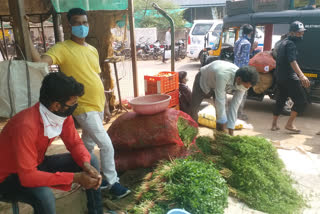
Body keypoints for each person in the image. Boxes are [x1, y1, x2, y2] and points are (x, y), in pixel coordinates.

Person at [30, 8, 130, 198]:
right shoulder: (62, 48)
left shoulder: (92, 49)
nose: (82, 26)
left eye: (85, 23)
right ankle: (112, 182)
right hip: (83, 107)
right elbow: (40, 62)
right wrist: (27, 36)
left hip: (97, 104)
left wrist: (106, 105)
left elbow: (97, 77)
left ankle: (91, 180)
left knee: (87, 145)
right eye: (77, 23)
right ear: (69, 26)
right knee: (107, 145)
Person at [0, 72, 124, 214]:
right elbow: (28, 177)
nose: (76, 106)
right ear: (56, 105)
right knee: (43, 195)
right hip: (7, 178)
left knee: (91, 159)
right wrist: (75, 178)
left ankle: (96, 211)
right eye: (73, 103)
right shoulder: (25, 125)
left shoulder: (60, 116)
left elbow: (75, 143)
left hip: (35, 164)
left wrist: (85, 164)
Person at [189, 60, 259, 135]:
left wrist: (231, 129)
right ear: (238, 79)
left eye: (249, 87)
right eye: (246, 86)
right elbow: (220, 100)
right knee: (194, 108)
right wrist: (223, 121)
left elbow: (235, 105)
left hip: (218, 86)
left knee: (221, 113)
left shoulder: (244, 84)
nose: (246, 88)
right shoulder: (223, 75)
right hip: (204, 80)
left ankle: (218, 137)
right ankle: (193, 134)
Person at [271, 21, 310, 133]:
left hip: (280, 76)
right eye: (299, 33)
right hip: (289, 77)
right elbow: (292, 61)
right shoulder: (291, 44)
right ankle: (289, 124)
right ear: (292, 33)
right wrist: (301, 76)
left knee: (281, 99)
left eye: (302, 33)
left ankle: (274, 125)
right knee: (301, 101)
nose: (301, 35)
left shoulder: (283, 42)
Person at [234, 24, 254, 121]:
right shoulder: (247, 43)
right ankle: (239, 114)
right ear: (251, 32)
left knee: (237, 91)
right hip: (242, 70)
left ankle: (235, 112)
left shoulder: (238, 41)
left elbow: (237, 55)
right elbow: (244, 59)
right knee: (242, 93)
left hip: (235, 68)